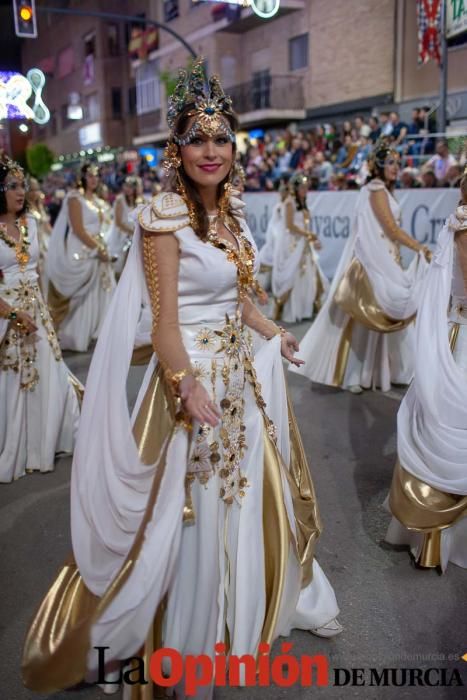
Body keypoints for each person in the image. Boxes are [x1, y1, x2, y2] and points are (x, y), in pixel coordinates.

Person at [22, 60, 342, 699]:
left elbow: (239, 301)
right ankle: (183, 634)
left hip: (239, 385)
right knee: (181, 515)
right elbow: (165, 323)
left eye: (222, 138)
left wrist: (273, 331)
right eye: (198, 137)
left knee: (245, 495)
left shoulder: (233, 214)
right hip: (187, 384)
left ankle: (234, 613)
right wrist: (184, 383)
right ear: (177, 148)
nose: (211, 151)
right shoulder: (162, 217)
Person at [291, 139, 431, 393]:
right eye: (390, 163)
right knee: (363, 319)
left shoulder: (383, 190)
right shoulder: (376, 189)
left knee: (380, 317)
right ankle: (356, 374)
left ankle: (384, 372)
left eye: (398, 164)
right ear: (377, 166)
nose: (395, 168)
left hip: (385, 260)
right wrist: (418, 247)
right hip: (370, 262)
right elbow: (390, 227)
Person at [385, 172, 467, 572]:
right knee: (450, 427)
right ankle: (438, 536)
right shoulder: (465, 229)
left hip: (459, 332)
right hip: (464, 339)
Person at [0, 156, 81, 483]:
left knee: (49, 373)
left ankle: (46, 443)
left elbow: (38, 270)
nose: (22, 192)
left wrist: (42, 310)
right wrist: (12, 313)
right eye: (12, 186)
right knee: (14, 380)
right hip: (7, 316)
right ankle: (19, 448)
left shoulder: (30, 224)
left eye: (23, 186)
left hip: (37, 311)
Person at [46, 163, 116, 352]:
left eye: (97, 176)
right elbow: (78, 229)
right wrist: (97, 248)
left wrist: (103, 246)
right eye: (90, 175)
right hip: (83, 249)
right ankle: (77, 333)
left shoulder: (97, 200)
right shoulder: (74, 197)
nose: (94, 179)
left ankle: (100, 331)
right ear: (83, 177)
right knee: (84, 293)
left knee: (103, 289)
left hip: (98, 247)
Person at [271, 172, 328, 322]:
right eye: (302, 187)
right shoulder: (289, 202)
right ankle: (294, 310)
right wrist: (308, 234)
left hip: (304, 242)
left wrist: (310, 237)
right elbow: (289, 226)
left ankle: (305, 308)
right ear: (295, 188)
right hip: (293, 243)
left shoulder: (303, 203)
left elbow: (305, 223)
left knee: (309, 272)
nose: (305, 190)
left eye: (306, 187)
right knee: (295, 274)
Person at [107, 176, 141, 277]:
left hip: (132, 233)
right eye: (126, 186)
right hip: (120, 234)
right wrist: (131, 232)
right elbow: (118, 222)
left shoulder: (137, 201)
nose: (128, 189)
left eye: (131, 187)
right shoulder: (120, 200)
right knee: (121, 262)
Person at [26, 176, 52, 297]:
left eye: (37, 189)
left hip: (45, 243)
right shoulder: (25, 210)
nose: (36, 192)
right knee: (42, 276)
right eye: (32, 189)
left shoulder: (39, 206)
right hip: (35, 245)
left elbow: (47, 226)